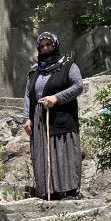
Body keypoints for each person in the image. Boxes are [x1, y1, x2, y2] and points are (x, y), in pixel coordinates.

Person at [22, 32, 84, 199]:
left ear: (55, 45)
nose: (45, 48)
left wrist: (57, 98)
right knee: (42, 152)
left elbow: (78, 86)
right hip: (40, 118)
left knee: (64, 150)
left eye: (48, 44)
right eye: (41, 46)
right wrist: (26, 118)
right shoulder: (35, 70)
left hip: (62, 116)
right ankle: (49, 191)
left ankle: (69, 191)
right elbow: (28, 94)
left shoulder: (68, 65)